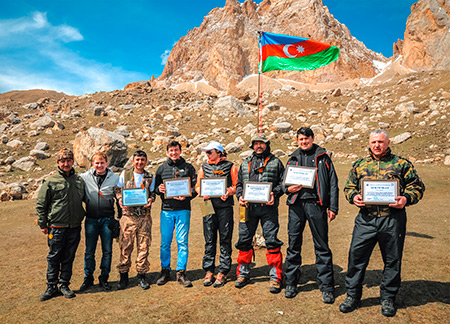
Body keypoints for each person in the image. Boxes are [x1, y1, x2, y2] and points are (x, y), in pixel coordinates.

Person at [339, 129, 425, 317]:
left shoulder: (401, 164)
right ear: (369, 144)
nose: (377, 145)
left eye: (380, 142)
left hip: (392, 220)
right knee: (356, 258)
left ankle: (388, 298)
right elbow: (349, 187)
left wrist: (406, 199)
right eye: (373, 142)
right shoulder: (360, 165)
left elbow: (417, 186)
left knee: (392, 260)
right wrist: (354, 197)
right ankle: (353, 295)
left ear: (387, 143)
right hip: (366, 220)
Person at [282, 127, 339, 303]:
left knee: (321, 245)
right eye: (300, 139)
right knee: (293, 244)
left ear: (313, 138)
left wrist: (333, 207)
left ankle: (326, 286)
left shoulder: (323, 157)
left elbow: (333, 183)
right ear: (297, 140)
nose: (304, 142)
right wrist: (287, 189)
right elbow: (284, 184)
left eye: (306, 139)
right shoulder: (292, 158)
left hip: (316, 205)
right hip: (296, 206)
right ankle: (291, 281)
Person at [235, 134, 285, 293]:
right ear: (252, 146)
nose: (259, 146)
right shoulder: (245, 163)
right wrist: (240, 196)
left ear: (267, 145)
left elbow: (283, 183)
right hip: (248, 209)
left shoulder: (276, 162)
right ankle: (243, 273)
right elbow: (239, 185)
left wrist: (274, 194)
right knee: (244, 239)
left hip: (268, 208)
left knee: (271, 240)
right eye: (256, 143)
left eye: (262, 143)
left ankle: (275, 276)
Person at [37, 148, 85, 301]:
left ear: (73, 162)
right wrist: (42, 223)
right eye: (63, 161)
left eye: (69, 161)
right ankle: (51, 286)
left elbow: (85, 198)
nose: (66, 164)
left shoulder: (78, 180)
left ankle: (64, 284)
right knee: (54, 256)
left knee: (69, 256)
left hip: (74, 226)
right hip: (56, 226)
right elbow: (41, 204)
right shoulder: (50, 180)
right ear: (58, 163)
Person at [154, 141, 197, 288]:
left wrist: (187, 195)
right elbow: (155, 189)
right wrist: (159, 189)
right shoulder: (161, 169)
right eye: (171, 150)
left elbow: (195, 188)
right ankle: (165, 270)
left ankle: (181, 272)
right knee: (165, 243)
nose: (174, 153)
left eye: (176, 150)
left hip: (183, 210)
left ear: (180, 151)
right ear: (167, 152)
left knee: (182, 242)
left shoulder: (188, 168)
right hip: (166, 210)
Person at [195, 141, 238, 288]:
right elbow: (198, 186)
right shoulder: (204, 167)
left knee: (225, 238)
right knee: (209, 238)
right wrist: (201, 191)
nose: (207, 154)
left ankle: (223, 271)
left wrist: (229, 191)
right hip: (208, 206)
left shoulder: (230, 166)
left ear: (219, 152)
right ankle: (209, 270)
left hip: (225, 207)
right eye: (206, 152)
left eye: (209, 152)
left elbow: (236, 185)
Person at [79, 152, 119, 291]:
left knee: (107, 251)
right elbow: (71, 181)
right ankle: (88, 278)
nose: (100, 165)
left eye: (102, 163)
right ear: (92, 164)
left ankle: (104, 278)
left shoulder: (115, 178)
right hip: (91, 219)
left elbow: (119, 198)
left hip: (108, 220)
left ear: (107, 163)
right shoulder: (84, 177)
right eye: (97, 163)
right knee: (89, 251)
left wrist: (119, 218)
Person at [115, 150, 155, 290]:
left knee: (144, 247)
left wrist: (151, 199)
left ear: (146, 161)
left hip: (144, 217)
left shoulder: (150, 176)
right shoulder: (125, 174)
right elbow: (118, 189)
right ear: (133, 161)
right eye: (137, 160)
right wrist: (120, 199)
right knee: (125, 247)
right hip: (128, 217)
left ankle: (142, 276)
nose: (139, 162)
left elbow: (153, 193)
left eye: (142, 160)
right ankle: (124, 277)